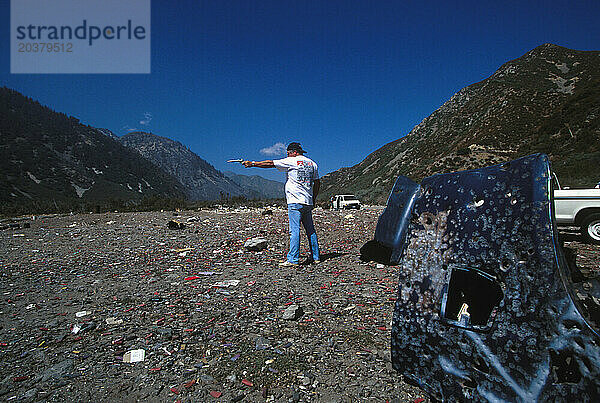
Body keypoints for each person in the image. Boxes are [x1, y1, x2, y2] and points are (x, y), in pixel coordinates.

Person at [242, 142, 320, 267]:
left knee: (294, 231)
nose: (287, 155)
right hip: (307, 201)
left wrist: (252, 164)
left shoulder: (292, 161)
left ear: (293, 152)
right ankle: (316, 257)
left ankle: (293, 259)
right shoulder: (312, 164)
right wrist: (313, 199)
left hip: (295, 201)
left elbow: (270, 163)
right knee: (310, 230)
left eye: (288, 153)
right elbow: (317, 183)